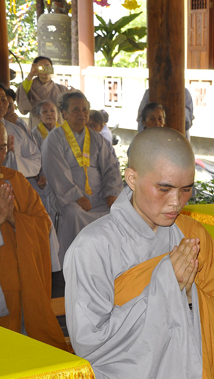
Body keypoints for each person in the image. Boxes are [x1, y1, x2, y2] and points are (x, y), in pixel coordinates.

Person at [64, 127, 214, 379]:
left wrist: (187, 295)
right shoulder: (94, 246)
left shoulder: (194, 237)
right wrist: (166, 288)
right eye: (164, 188)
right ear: (131, 178)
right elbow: (89, 341)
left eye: (186, 189)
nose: (177, 202)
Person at [0, 121, 67, 351]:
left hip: (17, 279)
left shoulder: (14, 180)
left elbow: (42, 223)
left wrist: (12, 218)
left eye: (1, 148)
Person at [41, 91, 123, 265]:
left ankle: (109, 264)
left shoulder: (97, 139)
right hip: (68, 199)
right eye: (76, 109)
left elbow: (111, 168)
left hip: (99, 197)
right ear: (64, 113)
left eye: (85, 109)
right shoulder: (54, 139)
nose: (82, 113)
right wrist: (77, 196)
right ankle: (76, 265)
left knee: (117, 211)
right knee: (75, 214)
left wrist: (112, 193)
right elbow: (56, 173)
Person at [17, 56, 73, 130]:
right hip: (37, 129)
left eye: (47, 67)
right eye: (41, 67)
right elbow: (23, 105)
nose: (44, 70)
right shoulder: (30, 88)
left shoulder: (61, 89)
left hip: (57, 130)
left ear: (52, 68)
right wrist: (31, 74)